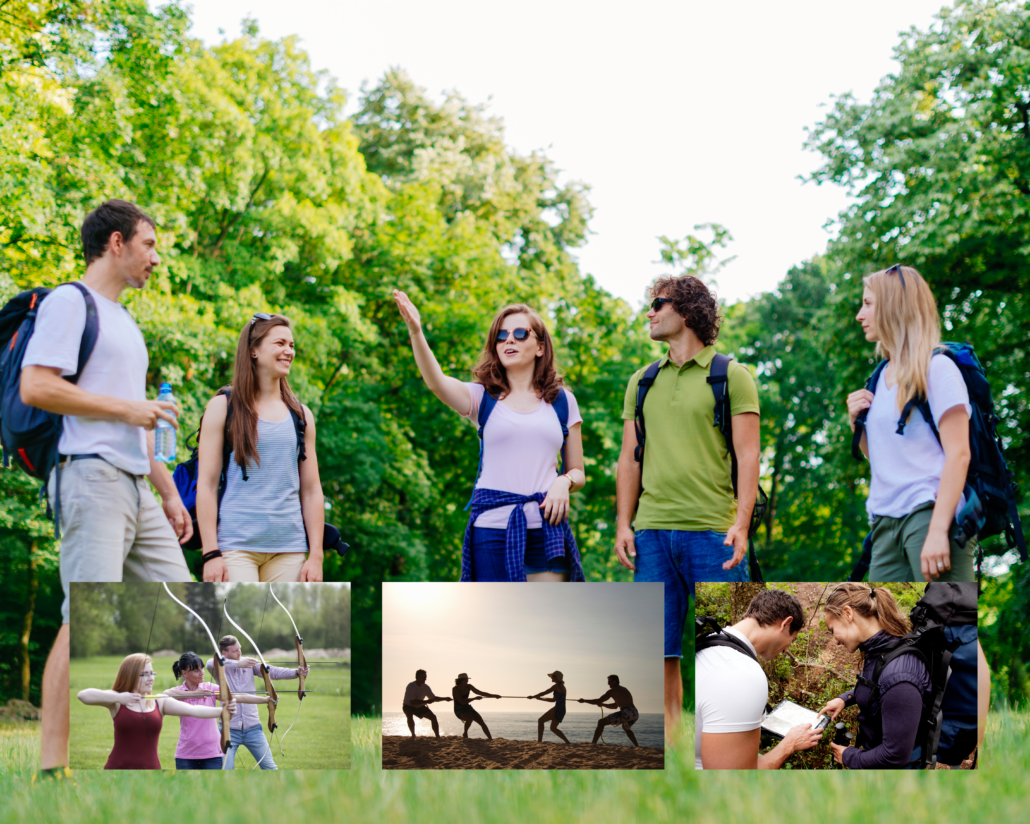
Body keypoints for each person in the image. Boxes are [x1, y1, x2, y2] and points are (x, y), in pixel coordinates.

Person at [20, 200, 193, 774]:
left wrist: (167, 492)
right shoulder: (71, 302)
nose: (155, 258)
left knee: (188, 604)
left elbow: (139, 425)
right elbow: (37, 387)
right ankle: (53, 767)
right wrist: (130, 409)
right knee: (82, 617)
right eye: (148, 245)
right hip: (89, 476)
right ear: (116, 243)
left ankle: (200, 749)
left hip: (137, 488)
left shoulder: (127, 323)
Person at [614, 274, 760, 730]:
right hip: (653, 533)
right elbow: (629, 460)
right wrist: (624, 523)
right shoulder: (642, 382)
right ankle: (672, 746)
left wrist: (742, 522)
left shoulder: (731, 376)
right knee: (658, 648)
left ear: (688, 310)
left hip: (714, 532)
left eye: (659, 303)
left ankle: (726, 739)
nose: (650, 312)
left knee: (723, 649)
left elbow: (749, 453)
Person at [393, 291, 585, 582]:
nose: (509, 340)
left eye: (521, 333)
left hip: (547, 528)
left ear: (540, 348)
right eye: (501, 335)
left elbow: (578, 471)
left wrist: (564, 481)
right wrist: (417, 331)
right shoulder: (482, 398)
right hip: (491, 529)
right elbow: (436, 383)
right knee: (498, 626)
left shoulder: (563, 402)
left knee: (546, 625)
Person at [847, 264, 975, 583]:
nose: (859, 316)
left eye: (867, 304)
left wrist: (937, 531)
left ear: (893, 307)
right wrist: (856, 424)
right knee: (893, 628)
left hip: (929, 513)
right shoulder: (879, 379)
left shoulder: (938, 369)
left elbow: (960, 454)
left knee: (950, 629)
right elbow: (883, 458)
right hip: (885, 523)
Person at [195, 313, 324, 583]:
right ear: (253, 350)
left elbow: (311, 491)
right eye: (280, 343)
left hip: (290, 549)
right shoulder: (223, 406)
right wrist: (210, 553)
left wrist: (316, 556)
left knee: (282, 627)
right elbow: (205, 484)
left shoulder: (301, 415)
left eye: (291, 345)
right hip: (235, 547)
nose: (289, 351)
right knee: (240, 626)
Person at [695, 588, 822, 769]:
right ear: (785, 624)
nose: (786, 650)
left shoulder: (713, 638)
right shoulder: (742, 674)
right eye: (791, 640)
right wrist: (789, 745)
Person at [818, 583, 934, 769]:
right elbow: (878, 688)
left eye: (832, 630)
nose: (835, 640)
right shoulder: (881, 650)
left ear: (848, 614)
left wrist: (849, 756)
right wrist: (845, 699)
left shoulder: (900, 674)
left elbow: (895, 755)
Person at [76, 653, 236, 770]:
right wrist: (120, 697)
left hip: (151, 768)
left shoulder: (159, 701)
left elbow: (193, 710)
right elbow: (83, 695)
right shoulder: (117, 701)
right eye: (145, 674)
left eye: (152, 673)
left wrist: (222, 711)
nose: (151, 678)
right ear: (131, 675)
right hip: (117, 768)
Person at [207, 635, 309, 769]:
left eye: (240, 649)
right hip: (228, 729)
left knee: (270, 768)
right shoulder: (217, 667)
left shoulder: (249, 663)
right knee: (225, 768)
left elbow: (271, 671)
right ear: (224, 653)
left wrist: (296, 673)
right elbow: (211, 662)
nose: (240, 653)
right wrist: (238, 664)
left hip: (253, 729)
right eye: (235, 651)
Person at [163, 651, 268, 770]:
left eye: (201, 668)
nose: (202, 673)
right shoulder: (179, 691)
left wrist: (265, 700)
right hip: (186, 753)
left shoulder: (209, 688)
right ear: (184, 673)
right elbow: (164, 695)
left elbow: (236, 696)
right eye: (196, 670)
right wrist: (193, 694)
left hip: (212, 753)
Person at [579, 675, 641, 747]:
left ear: (615, 681)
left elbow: (598, 700)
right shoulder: (624, 689)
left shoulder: (612, 691)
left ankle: (593, 744)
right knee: (625, 727)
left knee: (601, 722)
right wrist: (603, 705)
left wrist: (584, 701)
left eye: (609, 681)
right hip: (635, 713)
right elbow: (615, 706)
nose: (608, 683)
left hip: (626, 712)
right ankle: (637, 746)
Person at [401, 669, 451, 738]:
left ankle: (437, 736)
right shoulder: (411, 686)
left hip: (420, 706)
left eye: (425, 678)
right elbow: (412, 702)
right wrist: (426, 702)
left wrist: (444, 699)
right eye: (423, 678)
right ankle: (413, 735)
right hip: (408, 706)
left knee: (433, 717)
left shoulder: (426, 687)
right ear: (417, 677)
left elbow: (433, 698)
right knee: (409, 713)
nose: (425, 679)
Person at [452, 673, 500, 739]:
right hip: (458, 709)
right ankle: (465, 733)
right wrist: (474, 698)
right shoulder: (455, 689)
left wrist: (494, 695)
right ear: (461, 680)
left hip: (467, 707)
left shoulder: (469, 686)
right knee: (469, 718)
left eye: (467, 679)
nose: (467, 681)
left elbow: (481, 693)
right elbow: (461, 702)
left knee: (481, 721)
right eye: (465, 680)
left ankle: (490, 738)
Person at [528, 671, 571, 744]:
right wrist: (540, 698)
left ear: (557, 677)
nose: (551, 677)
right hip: (562, 709)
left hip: (557, 708)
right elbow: (553, 700)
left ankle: (539, 741)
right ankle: (568, 742)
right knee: (553, 728)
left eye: (552, 676)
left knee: (540, 720)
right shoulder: (563, 687)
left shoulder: (556, 686)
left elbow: (545, 692)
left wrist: (533, 696)